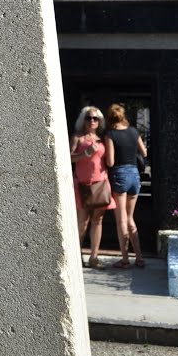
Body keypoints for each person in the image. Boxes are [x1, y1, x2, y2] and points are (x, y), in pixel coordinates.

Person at [70, 106, 114, 268]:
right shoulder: (78, 137)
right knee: (82, 221)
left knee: (98, 220)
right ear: (83, 119)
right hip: (82, 184)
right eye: (89, 118)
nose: (92, 121)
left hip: (101, 183)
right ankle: (76, 255)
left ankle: (94, 257)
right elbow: (69, 157)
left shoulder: (103, 139)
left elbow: (109, 161)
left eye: (96, 118)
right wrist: (85, 153)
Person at [104, 102, 148, 268]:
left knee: (121, 219)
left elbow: (110, 161)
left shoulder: (110, 135)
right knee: (130, 218)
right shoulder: (134, 131)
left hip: (120, 175)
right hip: (134, 175)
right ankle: (139, 257)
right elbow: (144, 152)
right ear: (123, 116)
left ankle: (125, 259)